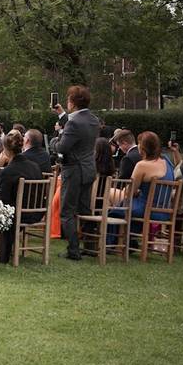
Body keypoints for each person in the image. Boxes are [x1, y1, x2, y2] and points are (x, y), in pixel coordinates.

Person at [55, 85, 100, 261]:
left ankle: (73, 250)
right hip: (89, 168)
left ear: (72, 103)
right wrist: (62, 116)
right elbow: (77, 128)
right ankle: (90, 246)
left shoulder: (73, 123)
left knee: (67, 211)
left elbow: (62, 147)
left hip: (73, 169)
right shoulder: (93, 120)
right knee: (85, 209)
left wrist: (56, 138)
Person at [0, 131, 45, 263]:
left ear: (5, 150)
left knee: (2, 208)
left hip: (18, 214)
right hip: (38, 212)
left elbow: (4, 201)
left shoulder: (8, 171)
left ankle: (3, 256)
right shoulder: (35, 167)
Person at [109, 131, 175, 224]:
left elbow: (129, 192)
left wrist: (131, 191)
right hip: (165, 211)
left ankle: (110, 231)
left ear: (143, 148)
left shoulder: (142, 165)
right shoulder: (167, 161)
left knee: (110, 192)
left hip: (147, 208)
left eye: (139, 143)